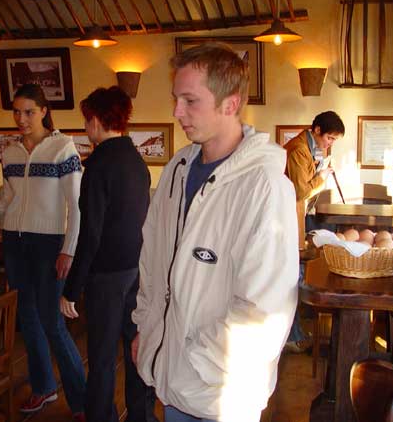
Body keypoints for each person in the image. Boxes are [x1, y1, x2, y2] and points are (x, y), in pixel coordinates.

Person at [131, 42, 299, 422]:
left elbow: (265, 310)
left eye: (190, 101)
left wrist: (197, 362)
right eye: (176, 99)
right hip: (171, 378)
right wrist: (149, 329)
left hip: (222, 393)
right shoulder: (177, 171)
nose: (177, 112)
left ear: (230, 104)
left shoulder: (265, 187)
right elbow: (152, 261)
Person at [0, 84, 86, 420]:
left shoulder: (63, 148)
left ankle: (82, 402)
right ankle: (43, 387)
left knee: (52, 321)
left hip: (50, 244)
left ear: (44, 111)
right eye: (16, 112)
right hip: (15, 242)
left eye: (29, 111)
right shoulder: (10, 153)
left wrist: (69, 249)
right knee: (28, 318)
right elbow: (9, 203)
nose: (21, 118)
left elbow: (77, 206)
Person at [60, 86, 157, 422]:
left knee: (101, 357)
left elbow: (91, 234)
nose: (86, 126)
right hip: (136, 269)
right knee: (135, 350)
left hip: (106, 276)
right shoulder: (136, 161)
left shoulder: (99, 165)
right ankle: (141, 417)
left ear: (97, 120)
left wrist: (71, 289)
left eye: (87, 119)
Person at [283, 111, 345, 353]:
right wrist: (322, 177)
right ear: (317, 130)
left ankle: (295, 332)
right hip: (288, 221)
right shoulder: (298, 149)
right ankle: (292, 336)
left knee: (296, 276)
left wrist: (320, 168)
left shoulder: (309, 148)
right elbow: (300, 191)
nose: (329, 144)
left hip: (295, 219)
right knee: (291, 279)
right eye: (329, 138)